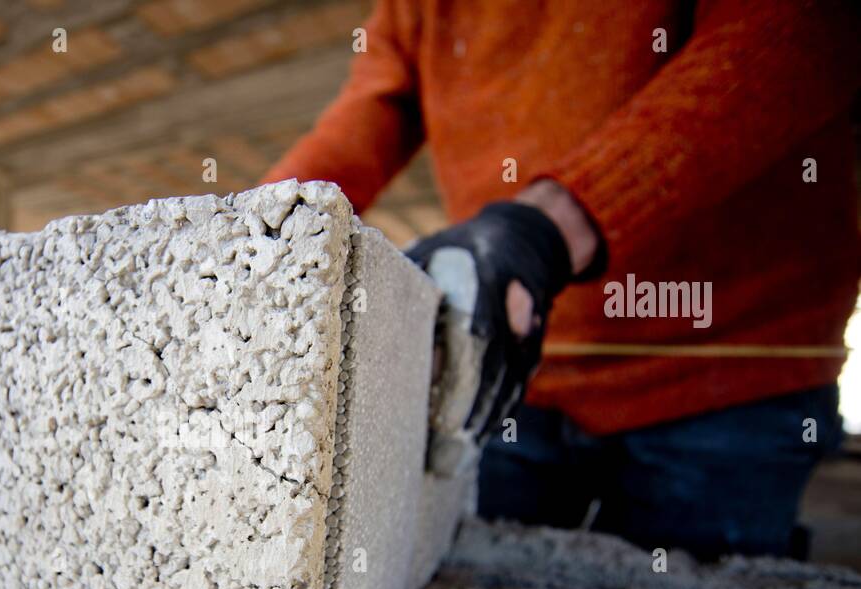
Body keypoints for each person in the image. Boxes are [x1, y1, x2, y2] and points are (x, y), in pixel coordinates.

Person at [262, 0, 860, 560]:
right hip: (517, 374)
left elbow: (803, 33)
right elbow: (374, 109)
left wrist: (550, 226)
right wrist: (252, 235)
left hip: (724, 376)